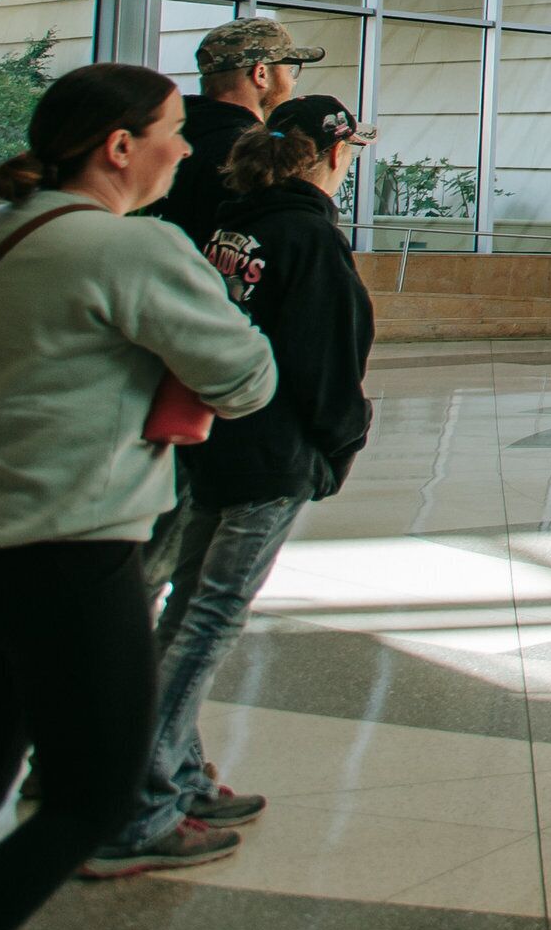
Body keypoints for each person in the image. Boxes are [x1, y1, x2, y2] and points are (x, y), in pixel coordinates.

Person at [0, 65, 277, 930]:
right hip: (63, 561)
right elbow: (246, 380)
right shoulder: (135, 251)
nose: (185, 147)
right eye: (173, 129)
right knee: (90, 802)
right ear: (119, 146)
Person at [87, 96, 380, 880]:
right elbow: (325, 370)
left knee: (185, 607)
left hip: (212, 446)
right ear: (332, 154)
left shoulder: (235, 226)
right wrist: (338, 444)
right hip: (269, 457)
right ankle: (141, 795)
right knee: (209, 618)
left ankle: (175, 775)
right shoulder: (311, 239)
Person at [151, 17, 322, 249]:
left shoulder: (163, 139)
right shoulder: (251, 151)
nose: (292, 82)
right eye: (290, 69)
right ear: (261, 74)